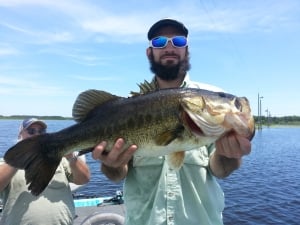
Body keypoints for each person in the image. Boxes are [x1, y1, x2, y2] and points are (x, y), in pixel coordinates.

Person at [92, 19, 252, 225]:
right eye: (159, 42)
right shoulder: (124, 108)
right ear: (149, 52)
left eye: (178, 41)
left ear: (187, 50)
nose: (169, 47)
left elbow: (220, 170)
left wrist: (229, 155)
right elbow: (117, 174)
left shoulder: (210, 106)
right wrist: (111, 165)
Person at [0, 118, 90, 225]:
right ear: (20, 135)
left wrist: (71, 156)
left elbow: (84, 179)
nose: (37, 135)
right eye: (31, 131)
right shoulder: (6, 163)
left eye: (41, 132)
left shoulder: (60, 160)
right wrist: (20, 157)